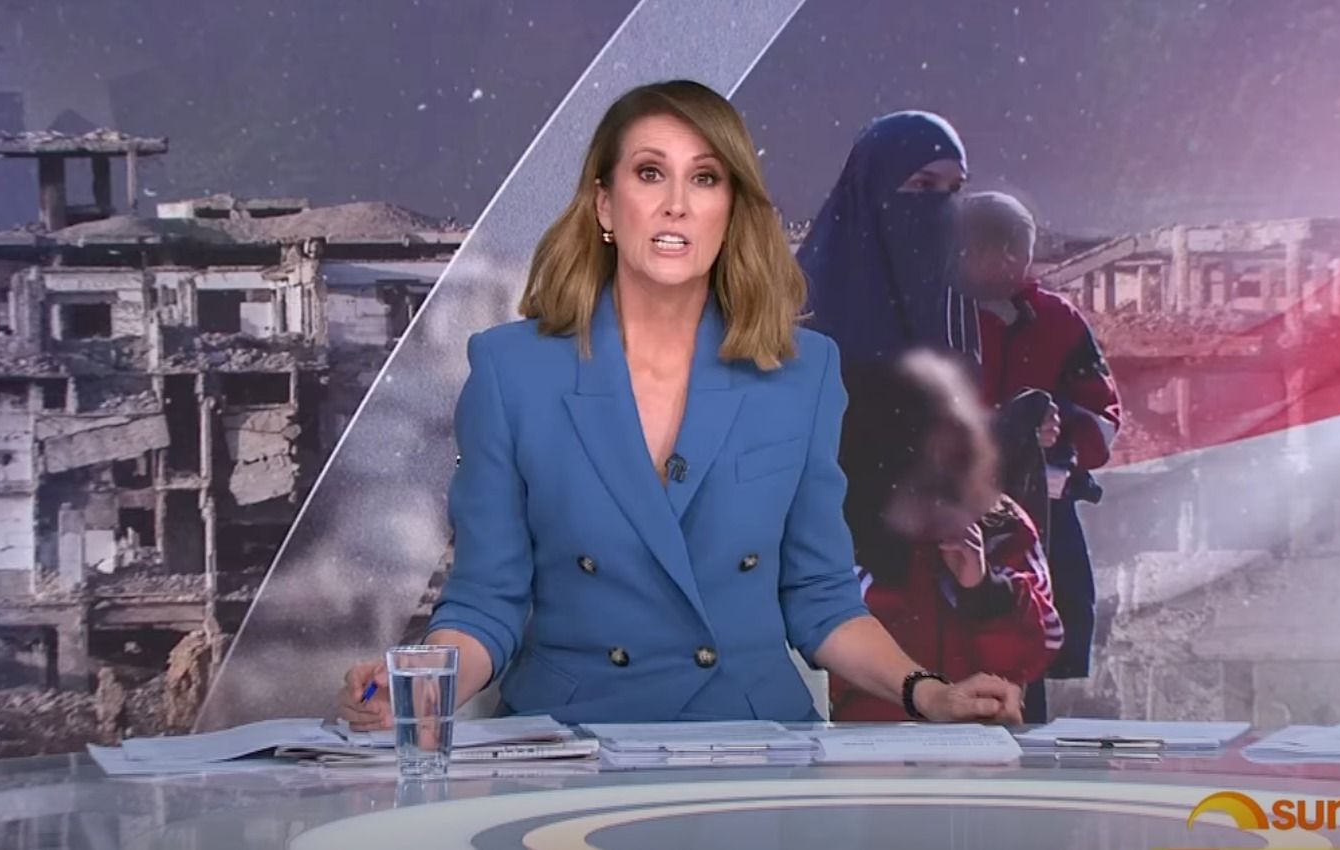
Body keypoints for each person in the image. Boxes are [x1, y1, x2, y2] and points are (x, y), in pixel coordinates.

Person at [338, 80, 1023, 730]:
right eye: (649, 173)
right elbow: (488, 601)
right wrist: (420, 687)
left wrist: (928, 692)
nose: (676, 205)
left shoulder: (803, 373)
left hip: (753, 740)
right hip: (570, 742)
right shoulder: (510, 371)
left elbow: (821, 599)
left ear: (731, 210)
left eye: (704, 178)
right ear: (605, 206)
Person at [959, 190, 1124, 719]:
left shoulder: (1060, 321)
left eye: (1019, 249)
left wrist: (1062, 424)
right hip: (948, 519)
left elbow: (1104, 420)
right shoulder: (928, 316)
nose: (1010, 261)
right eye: (994, 248)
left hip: (1041, 523)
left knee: (1026, 654)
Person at [829, 351, 1062, 722]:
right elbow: (828, 650)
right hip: (870, 742)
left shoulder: (1001, 524)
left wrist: (985, 590)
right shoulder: (840, 528)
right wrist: (891, 561)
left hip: (980, 738)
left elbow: (1042, 646)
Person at [798, 110, 976, 365]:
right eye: (924, 185)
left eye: (955, 188)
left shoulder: (957, 298)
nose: (944, 203)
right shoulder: (803, 306)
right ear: (875, 187)